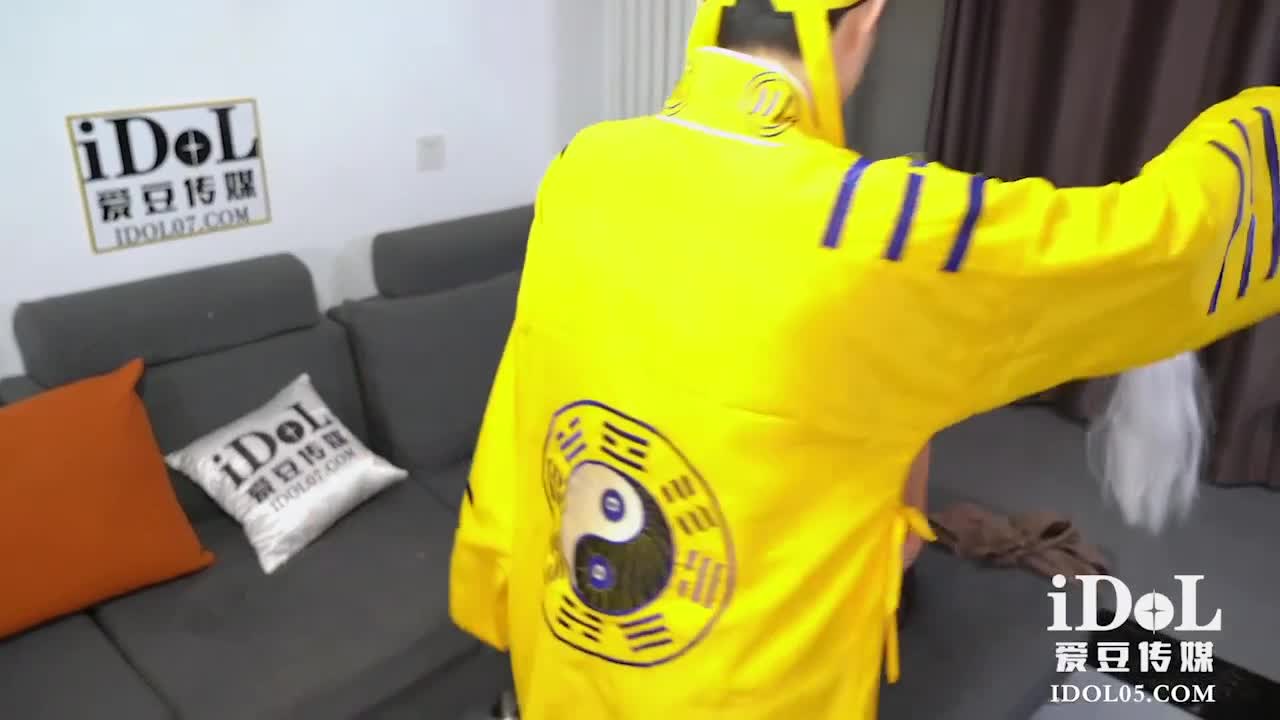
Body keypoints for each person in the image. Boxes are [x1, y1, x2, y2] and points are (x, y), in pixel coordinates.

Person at [449, 0, 1280, 717]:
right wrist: (1260, 119)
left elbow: (525, 401)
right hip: (749, 681)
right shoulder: (874, 225)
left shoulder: (585, 166)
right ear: (867, 20)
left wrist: (496, 566)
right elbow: (1150, 244)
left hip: (576, 632)